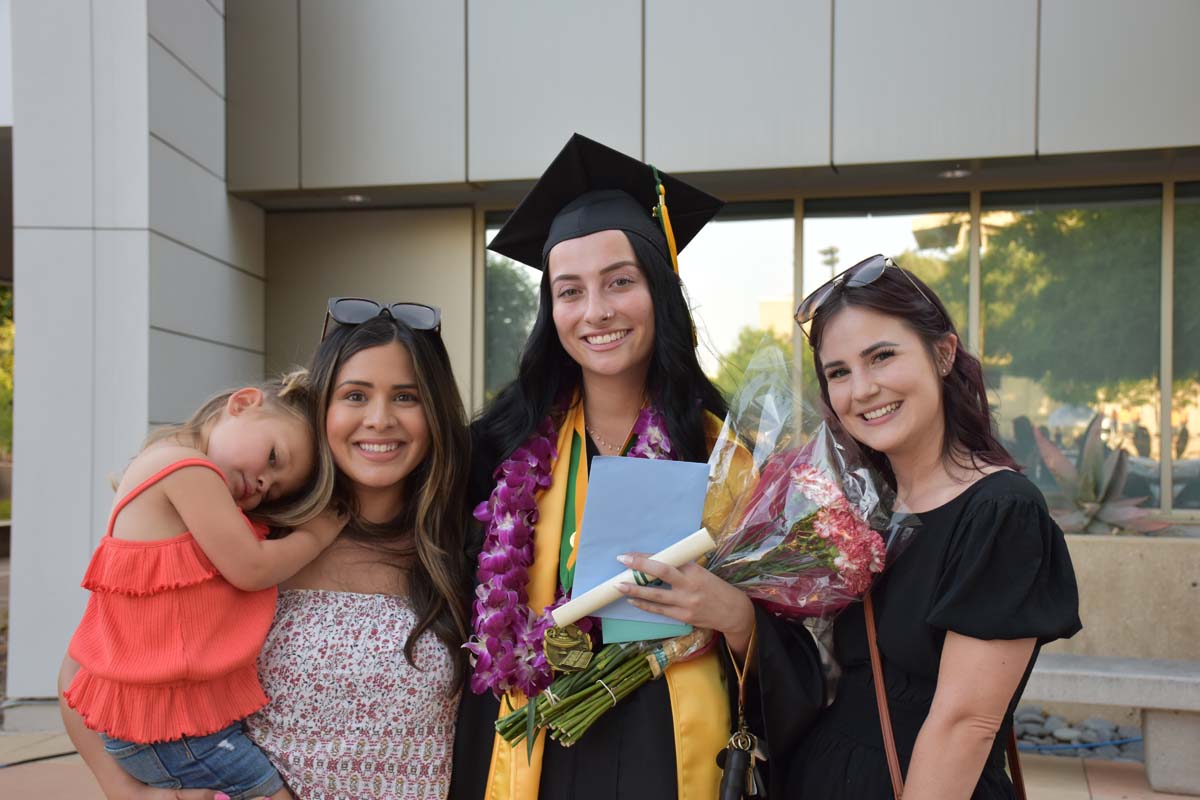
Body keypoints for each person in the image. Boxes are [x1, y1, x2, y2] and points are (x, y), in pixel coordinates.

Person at [450, 134, 824, 800]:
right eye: (571, 291)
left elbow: (796, 665)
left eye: (620, 282)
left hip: (670, 761)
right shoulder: (493, 457)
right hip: (533, 758)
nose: (596, 311)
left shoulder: (727, 462)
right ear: (551, 310)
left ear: (660, 291)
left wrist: (736, 617)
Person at [61, 301, 473, 800]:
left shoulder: (464, 540)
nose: (379, 419)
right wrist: (131, 793)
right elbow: (87, 670)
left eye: (406, 396)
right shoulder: (246, 535)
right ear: (323, 410)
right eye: (355, 395)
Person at [790, 254, 1082, 799]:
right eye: (839, 372)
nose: (863, 389)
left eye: (882, 356)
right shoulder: (860, 508)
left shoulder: (1000, 512)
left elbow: (964, 726)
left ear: (943, 354)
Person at [58, 372, 343, 800]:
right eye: (273, 457)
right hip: (168, 732)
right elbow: (251, 567)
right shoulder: (186, 468)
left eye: (275, 489)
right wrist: (317, 535)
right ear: (242, 403)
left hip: (153, 730)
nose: (265, 483)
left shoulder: (170, 470)